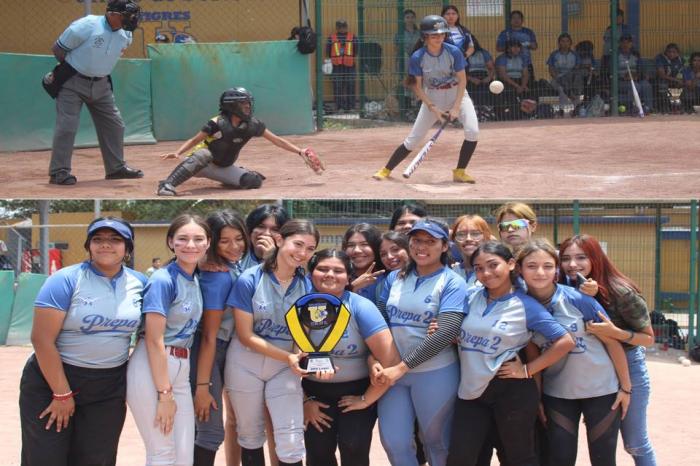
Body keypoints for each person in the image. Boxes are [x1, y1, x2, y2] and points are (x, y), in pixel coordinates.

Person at [19, 217, 144, 466]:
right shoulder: (66, 279)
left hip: (108, 387)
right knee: (46, 459)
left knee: (97, 459)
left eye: (115, 240)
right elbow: (41, 339)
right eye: (98, 239)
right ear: (88, 246)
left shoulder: (141, 283)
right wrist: (62, 393)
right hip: (53, 380)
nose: (105, 245)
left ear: (128, 248)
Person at [445, 241, 574, 466]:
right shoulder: (472, 296)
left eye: (493, 265)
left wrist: (526, 370)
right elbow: (457, 328)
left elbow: (565, 341)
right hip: (471, 390)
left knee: (519, 456)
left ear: (512, 264)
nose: (486, 273)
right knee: (460, 456)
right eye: (478, 268)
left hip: (510, 389)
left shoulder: (525, 305)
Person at [518, 239, 632, 466]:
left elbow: (612, 343)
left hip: (601, 391)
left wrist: (626, 388)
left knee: (603, 459)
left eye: (548, 266)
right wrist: (537, 397)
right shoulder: (519, 307)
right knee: (560, 459)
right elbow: (533, 355)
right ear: (519, 269)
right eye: (531, 266)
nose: (540, 272)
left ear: (556, 269)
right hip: (558, 395)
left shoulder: (579, 299)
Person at [225, 219, 321, 466]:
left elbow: (303, 332)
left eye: (310, 249)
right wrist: (289, 357)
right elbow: (246, 336)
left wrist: (302, 356)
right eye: (298, 244)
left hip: (284, 367)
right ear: (280, 240)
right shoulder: (250, 279)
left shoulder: (307, 284)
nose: (302, 253)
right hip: (245, 362)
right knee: (249, 434)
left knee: (290, 437)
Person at [374, 218, 468, 466]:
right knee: (394, 443)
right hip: (393, 374)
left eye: (430, 241)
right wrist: (375, 359)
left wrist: (401, 368)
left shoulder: (452, 282)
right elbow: (379, 325)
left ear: (445, 246)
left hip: (435, 372)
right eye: (416, 240)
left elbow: (445, 333)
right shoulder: (394, 277)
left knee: (436, 442)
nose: (421, 247)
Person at [559, 234, 658, 465]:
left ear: (596, 258)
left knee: (635, 441)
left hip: (628, 363)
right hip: (590, 368)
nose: (572, 264)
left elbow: (648, 339)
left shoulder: (620, 291)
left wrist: (615, 333)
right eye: (566, 258)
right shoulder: (565, 288)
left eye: (581, 257)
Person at [126, 214, 211, 465]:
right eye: (182, 239)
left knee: (184, 455)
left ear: (208, 243)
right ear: (171, 242)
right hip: (153, 367)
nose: (191, 245)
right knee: (162, 453)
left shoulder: (195, 277)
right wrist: (164, 395)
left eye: (198, 239)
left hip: (181, 368)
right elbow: (154, 340)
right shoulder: (163, 279)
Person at [302, 249, 400, 466]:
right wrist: (304, 401)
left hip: (356, 392)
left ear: (349, 277)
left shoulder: (361, 307)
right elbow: (284, 361)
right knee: (318, 454)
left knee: (353, 447)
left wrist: (367, 399)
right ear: (311, 273)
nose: (330, 274)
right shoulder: (300, 307)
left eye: (338, 270)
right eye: (322, 268)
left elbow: (391, 361)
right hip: (313, 395)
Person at [372, 15, 479, 184]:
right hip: (432, 97)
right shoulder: (418, 57)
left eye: (442, 34)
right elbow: (417, 87)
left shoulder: (454, 52)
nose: (439, 38)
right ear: (425, 37)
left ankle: (459, 171)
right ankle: (386, 169)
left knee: (473, 132)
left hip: (457, 93)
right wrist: (434, 109)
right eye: (434, 35)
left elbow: (462, 80)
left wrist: (456, 107)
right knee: (413, 140)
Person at [157, 87, 323, 196]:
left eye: (248, 103)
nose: (248, 107)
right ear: (232, 106)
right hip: (200, 164)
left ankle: (233, 176)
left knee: (253, 182)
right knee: (203, 154)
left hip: (223, 167)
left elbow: (277, 141)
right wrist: (178, 153)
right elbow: (195, 140)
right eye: (243, 104)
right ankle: (167, 185)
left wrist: (299, 151)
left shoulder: (252, 124)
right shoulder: (217, 123)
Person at [47, 0, 144, 185]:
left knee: (115, 125)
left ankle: (116, 169)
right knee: (67, 127)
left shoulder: (126, 34)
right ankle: (59, 172)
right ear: (112, 14)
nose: (132, 20)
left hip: (102, 84)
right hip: (73, 82)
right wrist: (72, 69)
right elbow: (58, 49)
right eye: (128, 15)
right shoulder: (86, 25)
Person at [190, 210, 250, 465]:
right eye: (224, 241)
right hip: (210, 352)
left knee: (202, 430)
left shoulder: (230, 266)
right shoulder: (217, 275)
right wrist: (203, 387)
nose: (234, 246)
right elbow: (208, 336)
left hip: (225, 351)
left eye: (238, 238)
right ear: (212, 242)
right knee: (210, 432)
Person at [603, 34, 653, 114]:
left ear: (631, 44)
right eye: (623, 43)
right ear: (620, 44)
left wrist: (638, 76)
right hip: (620, 81)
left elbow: (641, 69)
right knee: (636, 86)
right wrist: (624, 77)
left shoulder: (636, 54)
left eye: (628, 43)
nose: (625, 45)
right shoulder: (615, 55)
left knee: (646, 85)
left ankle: (648, 108)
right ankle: (632, 108)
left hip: (635, 78)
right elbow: (610, 71)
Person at [342, 223, 385, 302]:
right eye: (351, 245)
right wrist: (352, 287)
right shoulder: (338, 277)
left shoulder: (388, 279)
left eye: (364, 244)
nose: (356, 250)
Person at [449, 214, 492, 288]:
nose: (468, 239)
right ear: (454, 240)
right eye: (461, 234)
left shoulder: (494, 272)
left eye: (475, 234)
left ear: (486, 237)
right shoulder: (450, 273)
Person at [496, 10, 538, 85]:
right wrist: (510, 48)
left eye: (518, 18)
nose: (516, 20)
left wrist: (525, 44)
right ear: (510, 20)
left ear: (522, 20)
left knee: (528, 85)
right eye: (514, 18)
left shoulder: (528, 32)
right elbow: (498, 48)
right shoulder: (505, 33)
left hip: (526, 63)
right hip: (509, 64)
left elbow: (535, 47)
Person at [495, 39, 532, 120]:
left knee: (531, 90)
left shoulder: (522, 58)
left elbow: (525, 73)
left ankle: (530, 113)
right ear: (508, 48)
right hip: (507, 81)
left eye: (518, 47)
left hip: (520, 80)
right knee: (509, 92)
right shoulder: (502, 58)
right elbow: (503, 75)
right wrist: (517, 86)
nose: (516, 49)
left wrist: (523, 85)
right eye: (513, 47)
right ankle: (513, 113)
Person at [327, 19, 358, 113]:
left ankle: (350, 107)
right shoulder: (331, 38)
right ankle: (340, 107)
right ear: (337, 28)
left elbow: (356, 51)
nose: (342, 28)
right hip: (337, 66)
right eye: (340, 27)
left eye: (343, 26)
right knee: (338, 86)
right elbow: (328, 52)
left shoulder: (353, 37)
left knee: (350, 86)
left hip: (349, 65)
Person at [547, 32, 583, 104]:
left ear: (570, 43)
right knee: (561, 88)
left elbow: (577, 68)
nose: (565, 43)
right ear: (559, 43)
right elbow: (551, 69)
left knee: (576, 87)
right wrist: (558, 78)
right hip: (558, 78)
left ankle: (576, 108)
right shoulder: (554, 54)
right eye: (563, 41)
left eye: (567, 41)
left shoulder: (575, 55)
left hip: (571, 79)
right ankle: (563, 109)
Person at [465, 37, 496, 110]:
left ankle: (488, 108)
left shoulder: (483, 53)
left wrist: (489, 78)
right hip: (469, 76)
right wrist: (470, 78)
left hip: (483, 75)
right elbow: (460, 70)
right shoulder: (463, 54)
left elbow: (492, 68)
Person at [654, 43, 685, 113]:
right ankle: (664, 107)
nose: (671, 54)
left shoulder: (680, 60)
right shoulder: (660, 58)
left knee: (681, 85)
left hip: (674, 81)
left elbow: (681, 73)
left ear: (678, 53)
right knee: (663, 84)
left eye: (674, 52)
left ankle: (676, 107)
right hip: (660, 81)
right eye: (669, 52)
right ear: (666, 52)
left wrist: (679, 81)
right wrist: (676, 80)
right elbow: (662, 75)